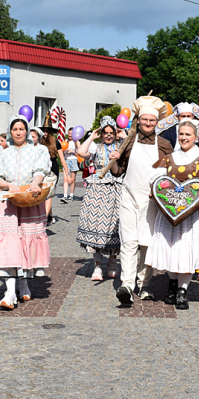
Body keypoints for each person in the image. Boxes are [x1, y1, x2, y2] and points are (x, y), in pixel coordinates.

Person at [145, 119, 199, 310]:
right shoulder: (169, 157)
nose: (184, 137)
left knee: (189, 248)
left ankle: (182, 290)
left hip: (195, 212)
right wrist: (155, 190)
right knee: (172, 247)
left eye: (188, 134)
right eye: (181, 134)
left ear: (196, 137)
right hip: (171, 210)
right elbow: (155, 178)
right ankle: (172, 285)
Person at [0, 115, 51, 309]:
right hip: (8, 202)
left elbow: (40, 172)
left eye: (21, 129)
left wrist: (35, 184)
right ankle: (10, 292)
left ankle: (23, 283)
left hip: (29, 200)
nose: (18, 132)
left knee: (25, 243)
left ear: (27, 131)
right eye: (15, 130)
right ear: (10, 132)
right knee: (9, 244)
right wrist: (8, 185)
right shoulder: (3, 153)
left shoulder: (37, 151)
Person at [111, 96, 172, 305]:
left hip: (151, 200)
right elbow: (119, 172)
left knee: (147, 243)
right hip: (129, 195)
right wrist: (112, 162)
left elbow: (169, 176)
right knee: (129, 242)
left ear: (157, 122)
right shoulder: (127, 142)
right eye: (144, 120)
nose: (147, 124)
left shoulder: (164, 145)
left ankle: (144, 285)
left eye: (152, 121)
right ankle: (127, 285)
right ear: (138, 120)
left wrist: (160, 192)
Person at [75, 116, 122, 280]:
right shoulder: (96, 146)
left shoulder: (121, 146)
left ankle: (112, 261)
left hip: (115, 189)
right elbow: (80, 152)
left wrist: (123, 136)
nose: (108, 136)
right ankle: (97, 267)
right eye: (105, 133)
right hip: (98, 190)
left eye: (111, 133)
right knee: (96, 227)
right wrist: (91, 136)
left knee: (114, 227)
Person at [42, 126, 67, 226]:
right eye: (43, 131)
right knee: (45, 193)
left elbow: (62, 158)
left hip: (53, 169)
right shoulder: (39, 142)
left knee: (49, 193)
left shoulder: (56, 143)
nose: (45, 133)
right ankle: (50, 215)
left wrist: (66, 170)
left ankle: (44, 217)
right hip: (43, 169)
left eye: (47, 131)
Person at [61, 127, 80, 203]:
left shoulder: (77, 142)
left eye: (71, 133)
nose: (70, 135)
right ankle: (65, 196)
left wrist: (73, 151)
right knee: (65, 179)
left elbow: (79, 154)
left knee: (72, 180)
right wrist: (65, 151)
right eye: (69, 133)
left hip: (74, 161)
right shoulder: (65, 141)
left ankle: (71, 195)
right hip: (67, 161)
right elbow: (62, 152)